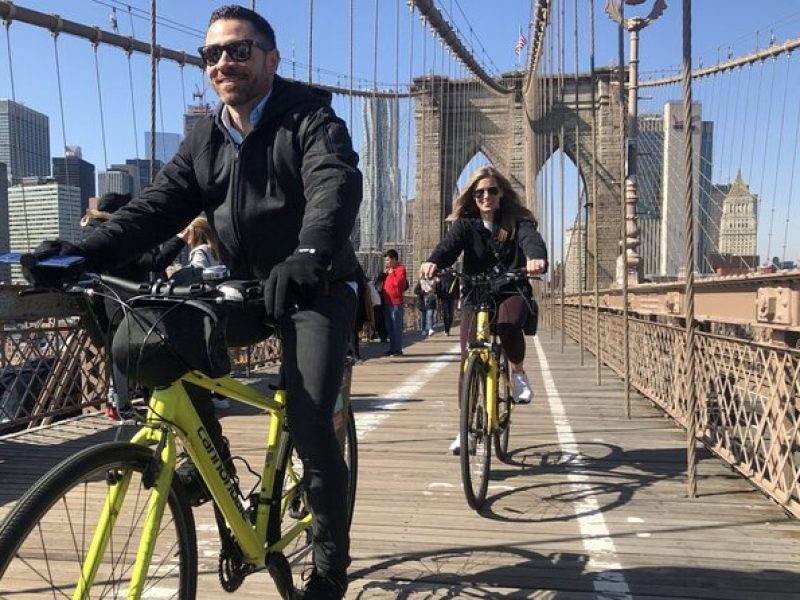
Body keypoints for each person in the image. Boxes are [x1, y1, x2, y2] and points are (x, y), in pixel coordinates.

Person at [24, 6, 361, 598]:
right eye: (212, 54)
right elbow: (156, 207)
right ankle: (214, 467)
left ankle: (331, 567)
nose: (223, 62)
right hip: (243, 287)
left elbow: (334, 181)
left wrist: (310, 252)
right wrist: (81, 255)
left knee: (310, 419)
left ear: (271, 59)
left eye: (239, 49)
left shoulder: (310, 116)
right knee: (161, 340)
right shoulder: (204, 136)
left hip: (316, 285)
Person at [418, 166, 547, 454]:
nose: (486, 196)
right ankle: (465, 431)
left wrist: (536, 257)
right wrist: (433, 261)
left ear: (501, 193)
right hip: (477, 293)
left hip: (511, 289)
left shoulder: (518, 220)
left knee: (506, 324)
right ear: (473, 197)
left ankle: (517, 372)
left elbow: (531, 241)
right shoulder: (466, 224)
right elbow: (448, 247)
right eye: (479, 192)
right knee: (467, 359)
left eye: (491, 190)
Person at [81, 192, 186, 420]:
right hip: (130, 303)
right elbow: (153, 262)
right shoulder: (120, 240)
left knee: (119, 354)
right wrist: (179, 238)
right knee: (144, 353)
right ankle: (135, 404)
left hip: (109, 304)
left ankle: (119, 403)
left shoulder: (95, 236)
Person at [380, 249, 408, 356]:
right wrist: (384, 274)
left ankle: (398, 350)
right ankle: (392, 348)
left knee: (396, 327)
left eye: (388, 260)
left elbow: (399, 285)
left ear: (394, 259)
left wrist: (392, 274)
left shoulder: (400, 269)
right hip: (387, 302)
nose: (386, 263)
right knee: (390, 327)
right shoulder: (388, 271)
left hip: (396, 303)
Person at [435, 270, 457, 336]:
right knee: (446, 314)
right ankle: (446, 330)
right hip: (444, 298)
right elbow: (438, 287)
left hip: (452, 298)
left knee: (451, 315)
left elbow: (457, 288)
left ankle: (448, 328)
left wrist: (458, 298)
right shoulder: (441, 277)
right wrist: (439, 296)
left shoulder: (454, 277)